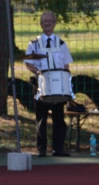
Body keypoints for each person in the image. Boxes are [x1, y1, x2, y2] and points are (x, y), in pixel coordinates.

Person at [24, 11, 73, 157]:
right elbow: (28, 63)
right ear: (41, 24)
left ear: (55, 24)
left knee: (59, 118)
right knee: (41, 118)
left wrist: (66, 83)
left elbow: (66, 65)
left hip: (58, 85)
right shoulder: (34, 44)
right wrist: (39, 73)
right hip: (41, 83)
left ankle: (58, 148)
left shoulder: (62, 43)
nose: (47, 24)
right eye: (45, 21)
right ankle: (42, 149)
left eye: (50, 21)